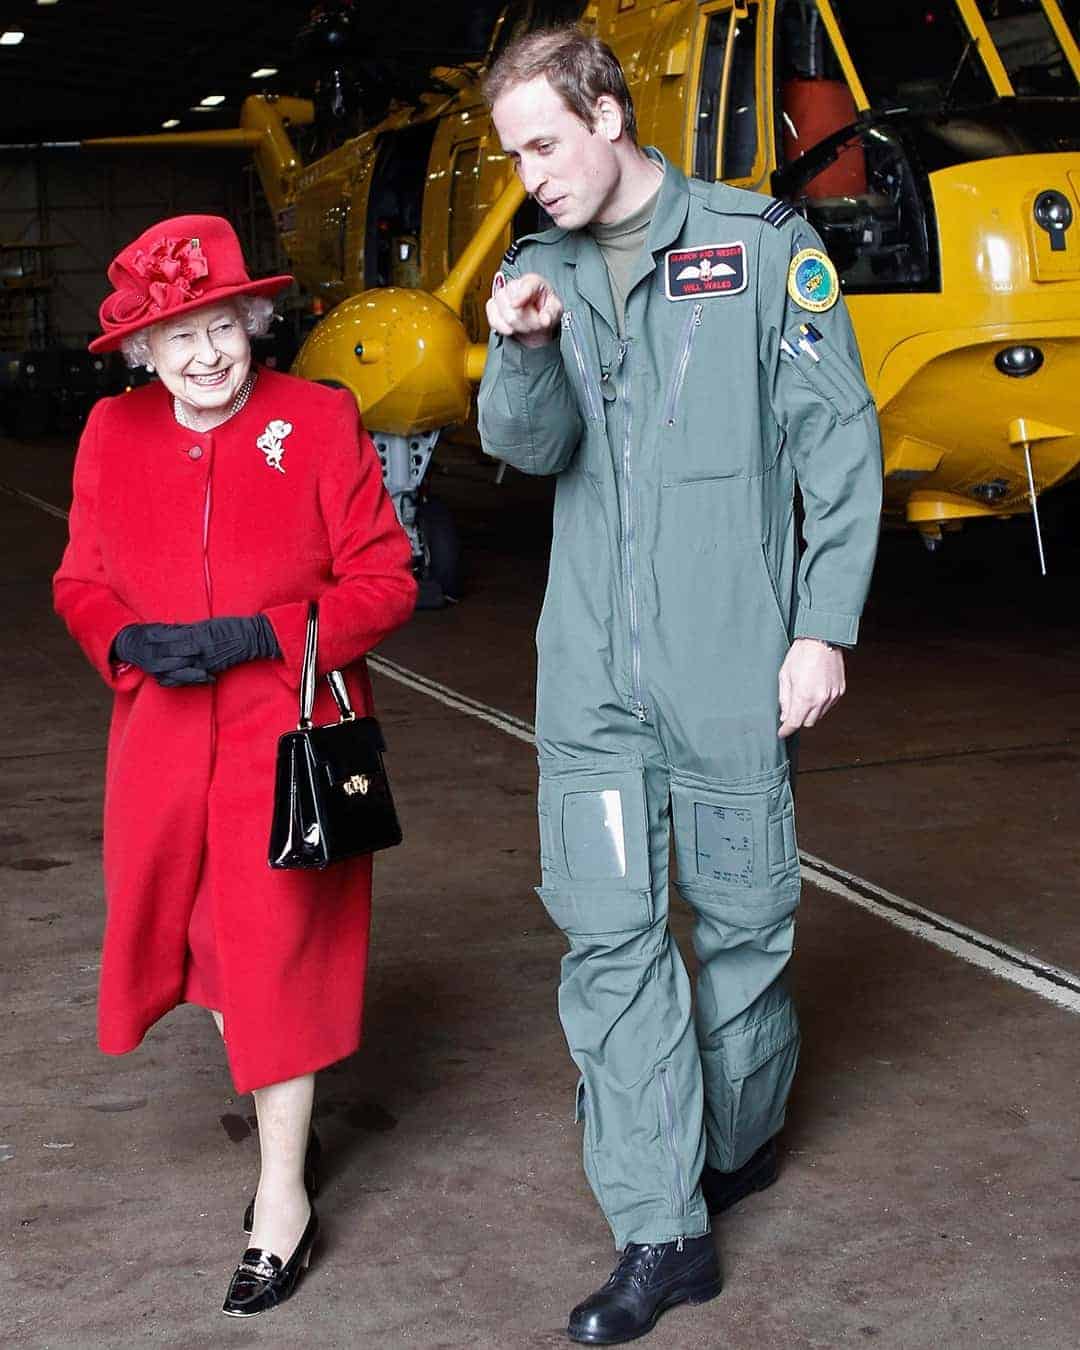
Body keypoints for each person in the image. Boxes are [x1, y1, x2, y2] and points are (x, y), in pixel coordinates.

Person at [478, 28, 882, 1346]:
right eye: (514, 154)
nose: (529, 175)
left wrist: (820, 627)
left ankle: (739, 1130)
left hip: (731, 661)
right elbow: (526, 448)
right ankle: (660, 1229)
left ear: (608, 111)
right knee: (611, 941)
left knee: (748, 930)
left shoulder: (761, 248)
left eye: (544, 142)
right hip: (589, 673)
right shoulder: (534, 269)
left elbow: (840, 446)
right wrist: (519, 350)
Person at [53, 215, 417, 1317]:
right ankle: (277, 1147)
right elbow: (79, 577)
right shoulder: (110, 435)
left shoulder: (317, 420)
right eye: (179, 338)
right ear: (141, 354)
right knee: (204, 951)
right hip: (159, 746)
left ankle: (280, 1198)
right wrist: (122, 639)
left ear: (255, 322)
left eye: (225, 328)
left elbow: (385, 580)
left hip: (288, 744)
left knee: (271, 960)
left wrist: (264, 634)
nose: (207, 356)